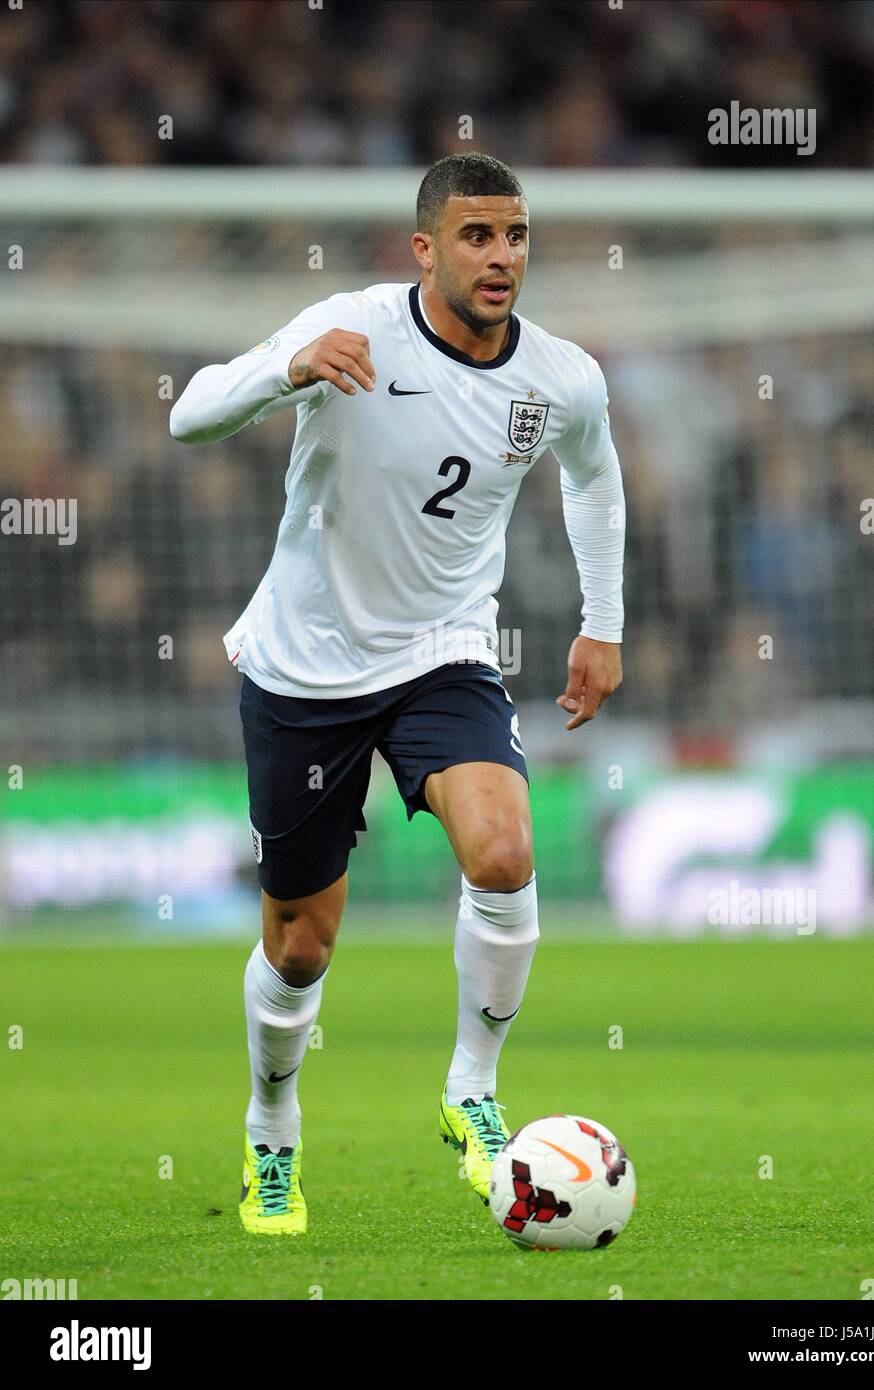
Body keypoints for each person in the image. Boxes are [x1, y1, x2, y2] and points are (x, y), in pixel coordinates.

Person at [170, 153, 625, 1235]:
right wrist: (284, 370)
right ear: (424, 249)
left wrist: (602, 621)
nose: (502, 256)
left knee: (506, 854)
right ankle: (271, 1136)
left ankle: (471, 1087)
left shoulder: (561, 376)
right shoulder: (352, 325)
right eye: (477, 237)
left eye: (515, 235)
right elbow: (190, 413)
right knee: (300, 946)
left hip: (443, 652)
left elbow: (596, 473)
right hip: (305, 666)